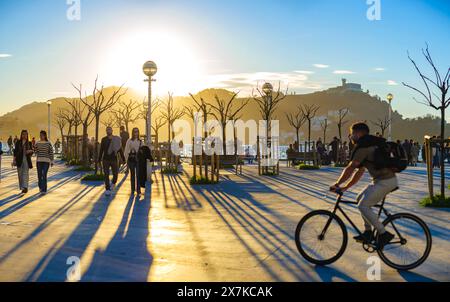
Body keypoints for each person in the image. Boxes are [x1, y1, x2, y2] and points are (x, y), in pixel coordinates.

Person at [330, 122, 397, 247]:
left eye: (352, 133)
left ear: (359, 133)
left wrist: (337, 183)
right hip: (382, 181)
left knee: (363, 206)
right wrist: (346, 187)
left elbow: (351, 168)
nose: (350, 136)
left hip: (385, 181)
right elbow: (359, 172)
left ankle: (383, 234)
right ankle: (368, 232)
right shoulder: (369, 144)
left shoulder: (363, 147)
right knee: (359, 199)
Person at [98, 126, 125, 196]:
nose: (108, 131)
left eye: (109, 130)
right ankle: (107, 189)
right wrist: (99, 159)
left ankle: (113, 182)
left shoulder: (116, 139)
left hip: (114, 159)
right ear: (106, 131)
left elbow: (120, 149)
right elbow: (101, 150)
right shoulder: (103, 139)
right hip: (105, 159)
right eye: (107, 130)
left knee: (115, 174)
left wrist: (123, 158)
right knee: (106, 175)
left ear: (112, 131)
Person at [124, 127, 143, 195]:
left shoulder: (140, 141)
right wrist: (126, 161)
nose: (136, 133)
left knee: (138, 175)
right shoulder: (129, 140)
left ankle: (138, 190)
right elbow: (126, 151)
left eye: (137, 131)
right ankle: (132, 190)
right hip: (131, 160)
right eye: (134, 131)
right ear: (132, 132)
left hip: (138, 160)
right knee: (132, 175)